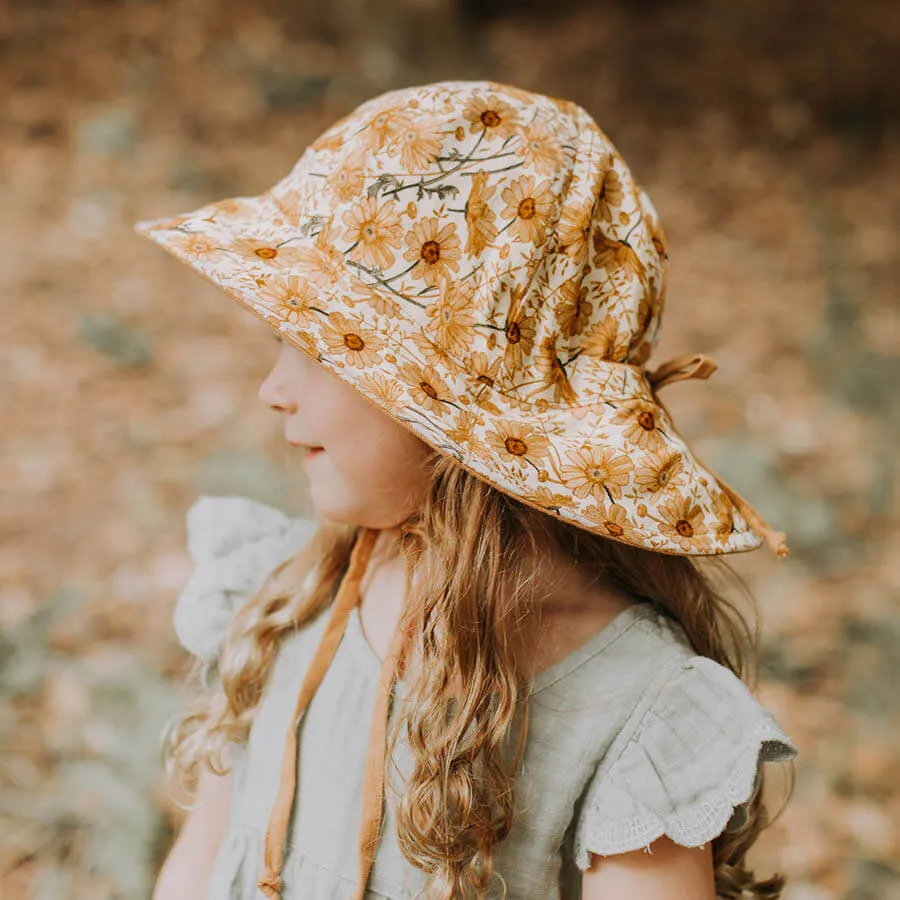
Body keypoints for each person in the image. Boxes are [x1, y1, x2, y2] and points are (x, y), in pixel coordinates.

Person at [135, 80, 798, 900]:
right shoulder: (290, 599)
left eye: (319, 347)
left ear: (457, 404)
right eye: (281, 340)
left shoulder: (627, 710)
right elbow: (200, 866)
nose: (273, 388)